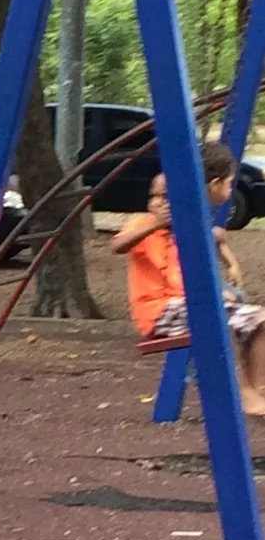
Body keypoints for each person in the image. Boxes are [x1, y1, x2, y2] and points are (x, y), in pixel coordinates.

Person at [110, 150, 265, 417]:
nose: (158, 203)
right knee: (215, 319)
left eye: (165, 197)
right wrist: (154, 224)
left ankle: (257, 389)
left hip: (185, 307)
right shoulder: (145, 225)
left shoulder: (187, 229)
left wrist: (224, 282)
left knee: (259, 319)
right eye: (153, 197)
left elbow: (206, 252)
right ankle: (241, 393)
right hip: (156, 312)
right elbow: (118, 245)